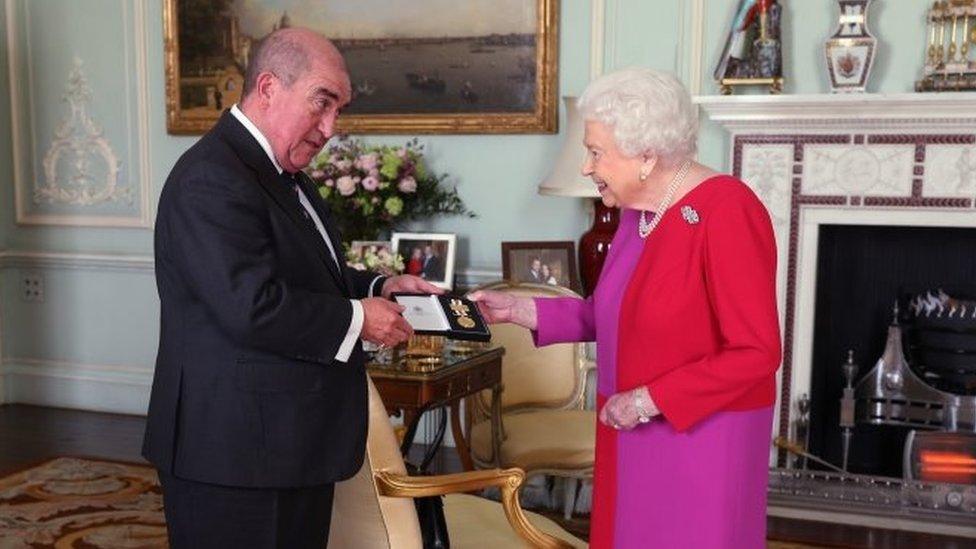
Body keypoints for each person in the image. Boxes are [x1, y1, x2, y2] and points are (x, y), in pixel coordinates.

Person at [143, 27, 441, 549]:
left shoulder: (281, 171)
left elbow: (308, 274)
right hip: (233, 453)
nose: (331, 128)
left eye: (339, 111)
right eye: (321, 104)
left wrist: (381, 284)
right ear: (267, 88)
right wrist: (358, 318)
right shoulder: (211, 178)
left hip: (283, 442)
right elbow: (251, 307)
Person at [469, 68, 781, 548]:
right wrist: (518, 310)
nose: (586, 168)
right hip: (630, 432)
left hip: (702, 442)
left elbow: (756, 352)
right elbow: (607, 314)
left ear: (647, 156)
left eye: (595, 153)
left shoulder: (728, 210)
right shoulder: (638, 216)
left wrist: (647, 401)